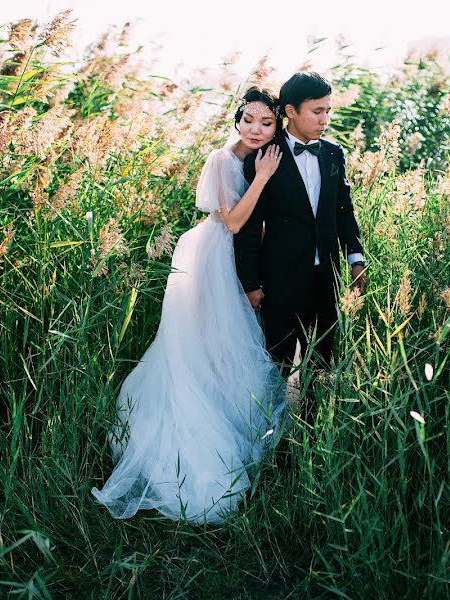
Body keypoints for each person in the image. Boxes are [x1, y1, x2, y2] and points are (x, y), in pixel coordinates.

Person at [91, 87, 287, 524]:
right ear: (237, 120)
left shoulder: (267, 156)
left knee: (228, 349)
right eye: (248, 119)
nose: (256, 129)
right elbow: (233, 221)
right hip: (209, 258)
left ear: (277, 125)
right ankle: (191, 452)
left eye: (266, 122)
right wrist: (261, 179)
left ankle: (238, 436)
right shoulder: (222, 160)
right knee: (199, 348)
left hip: (235, 259)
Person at [234, 72, 366, 417]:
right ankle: (269, 438)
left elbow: (344, 211)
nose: (324, 119)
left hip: (327, 278)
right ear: (290, 111)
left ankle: (309, 438)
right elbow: (248, 228)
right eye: (316, 111)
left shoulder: (334, 153)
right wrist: (250, 283)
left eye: (328, 111)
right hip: (278, 282)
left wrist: (355, 258)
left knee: (322, 364)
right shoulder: (264, 159)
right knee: (275, 365)